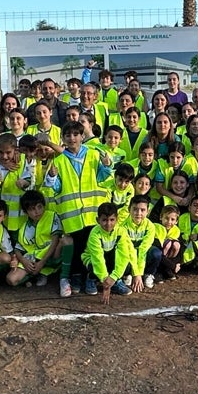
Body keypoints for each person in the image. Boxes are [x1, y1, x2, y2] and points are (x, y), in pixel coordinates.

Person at [43, 120, 114, 294]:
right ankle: (76, 277)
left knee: (93, 249)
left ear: (82, 136)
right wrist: (52, 177)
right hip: (72, 217)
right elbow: (55, 187)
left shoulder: (94, 155)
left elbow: (102, 178)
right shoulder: (58, 161)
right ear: (63, 138)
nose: (72, 138)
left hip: (93, 214)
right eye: (68, 135)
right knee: (77, 249)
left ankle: (90, 278)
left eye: (76, 135)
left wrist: (106, 165)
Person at [7, 189, 64, 291]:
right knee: (11, 279)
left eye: (39, 207)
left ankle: (50, 274)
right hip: (33, 258)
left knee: (64, 242)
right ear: (26, 212)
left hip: (49, 255)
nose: (37, 212)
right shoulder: (24, 227)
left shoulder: (52, 216)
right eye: (32, 209)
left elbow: (55, 241)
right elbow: (17, 249)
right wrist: (24, 261)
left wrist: (42, 262)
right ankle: (33, 276)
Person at [81, 202, 134, 301]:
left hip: (110, 259)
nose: (108, 224)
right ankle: (92, 278)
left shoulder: (121, 232)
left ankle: (117, 281)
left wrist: (113, 277)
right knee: (94, 265)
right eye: (104, 220)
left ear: (117, 219)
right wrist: (105, 280)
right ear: (98, 220)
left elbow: (123, 255)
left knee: (126, 265)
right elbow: (97, 258)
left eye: (112, 220)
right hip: (94, 260)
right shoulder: (94, 234)